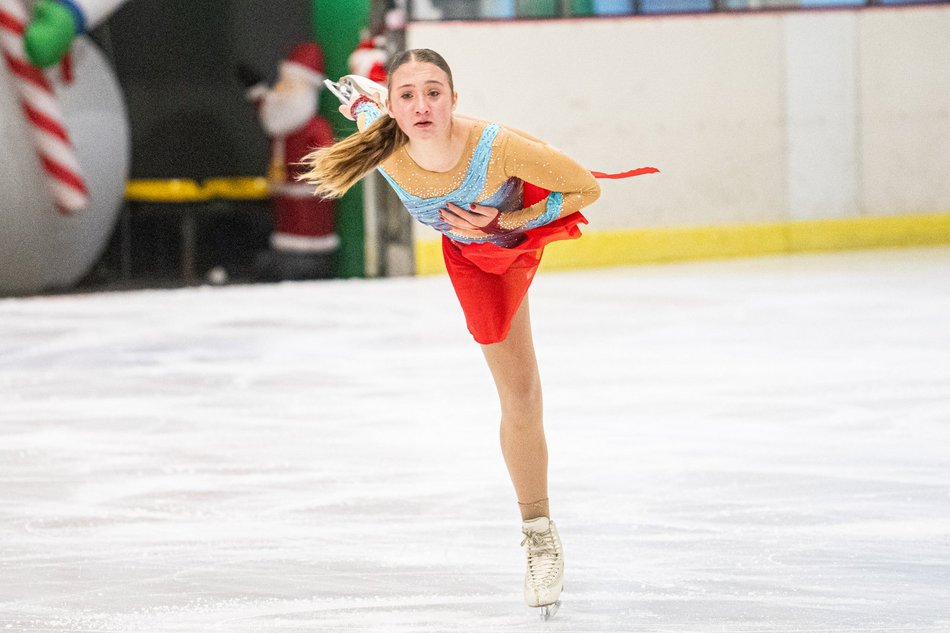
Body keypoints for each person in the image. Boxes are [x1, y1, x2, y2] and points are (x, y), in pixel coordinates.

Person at [300, 48, 602, 620]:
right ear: (392, 107)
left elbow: (586, 188)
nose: (422, 106)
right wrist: (363, 97)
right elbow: (369, 110)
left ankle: (539, 536)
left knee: (524, 395)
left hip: (509, 245)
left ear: (454, 100)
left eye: (434, 93)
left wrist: (506, 223)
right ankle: (537, 533)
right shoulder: (384, 139)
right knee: (514, 394)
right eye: (407, 96)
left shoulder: (496, 147)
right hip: (467, 259)